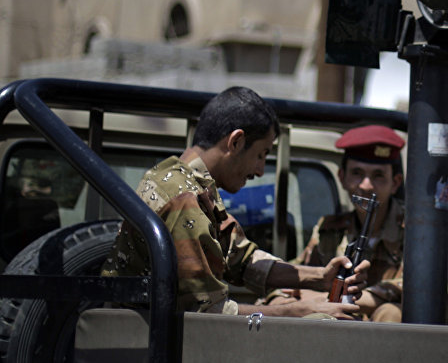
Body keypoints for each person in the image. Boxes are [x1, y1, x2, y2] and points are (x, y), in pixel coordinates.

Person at [100, 86, 367, 318]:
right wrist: (298, 311)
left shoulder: (189, 184)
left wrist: (321, 278)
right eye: (261, 155)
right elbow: (209, 314)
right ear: (236, 142)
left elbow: (241, 259)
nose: (260, 170)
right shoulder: (185, 199)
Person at [266, 124, 446, 322]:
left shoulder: (416, 230)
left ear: (395, 183)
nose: (366, 186)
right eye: (357, 173)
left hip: (387, 334)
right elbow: (297, 275)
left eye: (378, 176)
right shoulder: (330, 229)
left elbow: (428, 288)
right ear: (342, 177)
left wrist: (333, 299)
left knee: (390, 312)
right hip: (338, 332)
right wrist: (281, 299)